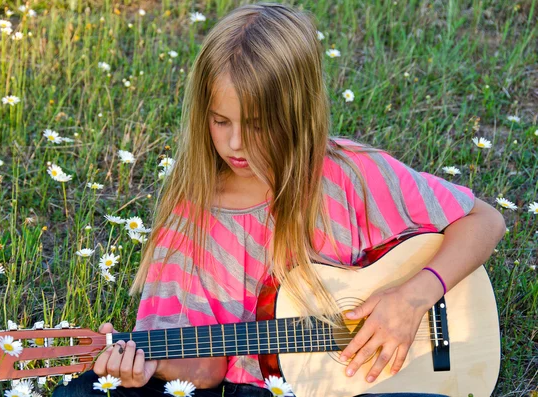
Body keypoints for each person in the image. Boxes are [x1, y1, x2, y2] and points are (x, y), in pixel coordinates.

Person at [52, 2, 506, 396]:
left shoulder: (353, 174)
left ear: (298, 112)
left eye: (255, 124)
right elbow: (205, 370)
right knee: (79, 392)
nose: (234, 144)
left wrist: (412, 297)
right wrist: (146, 365)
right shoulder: (192, 214)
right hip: (247, 387)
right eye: (220, 121)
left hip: (359, 383)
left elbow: (485, 220)